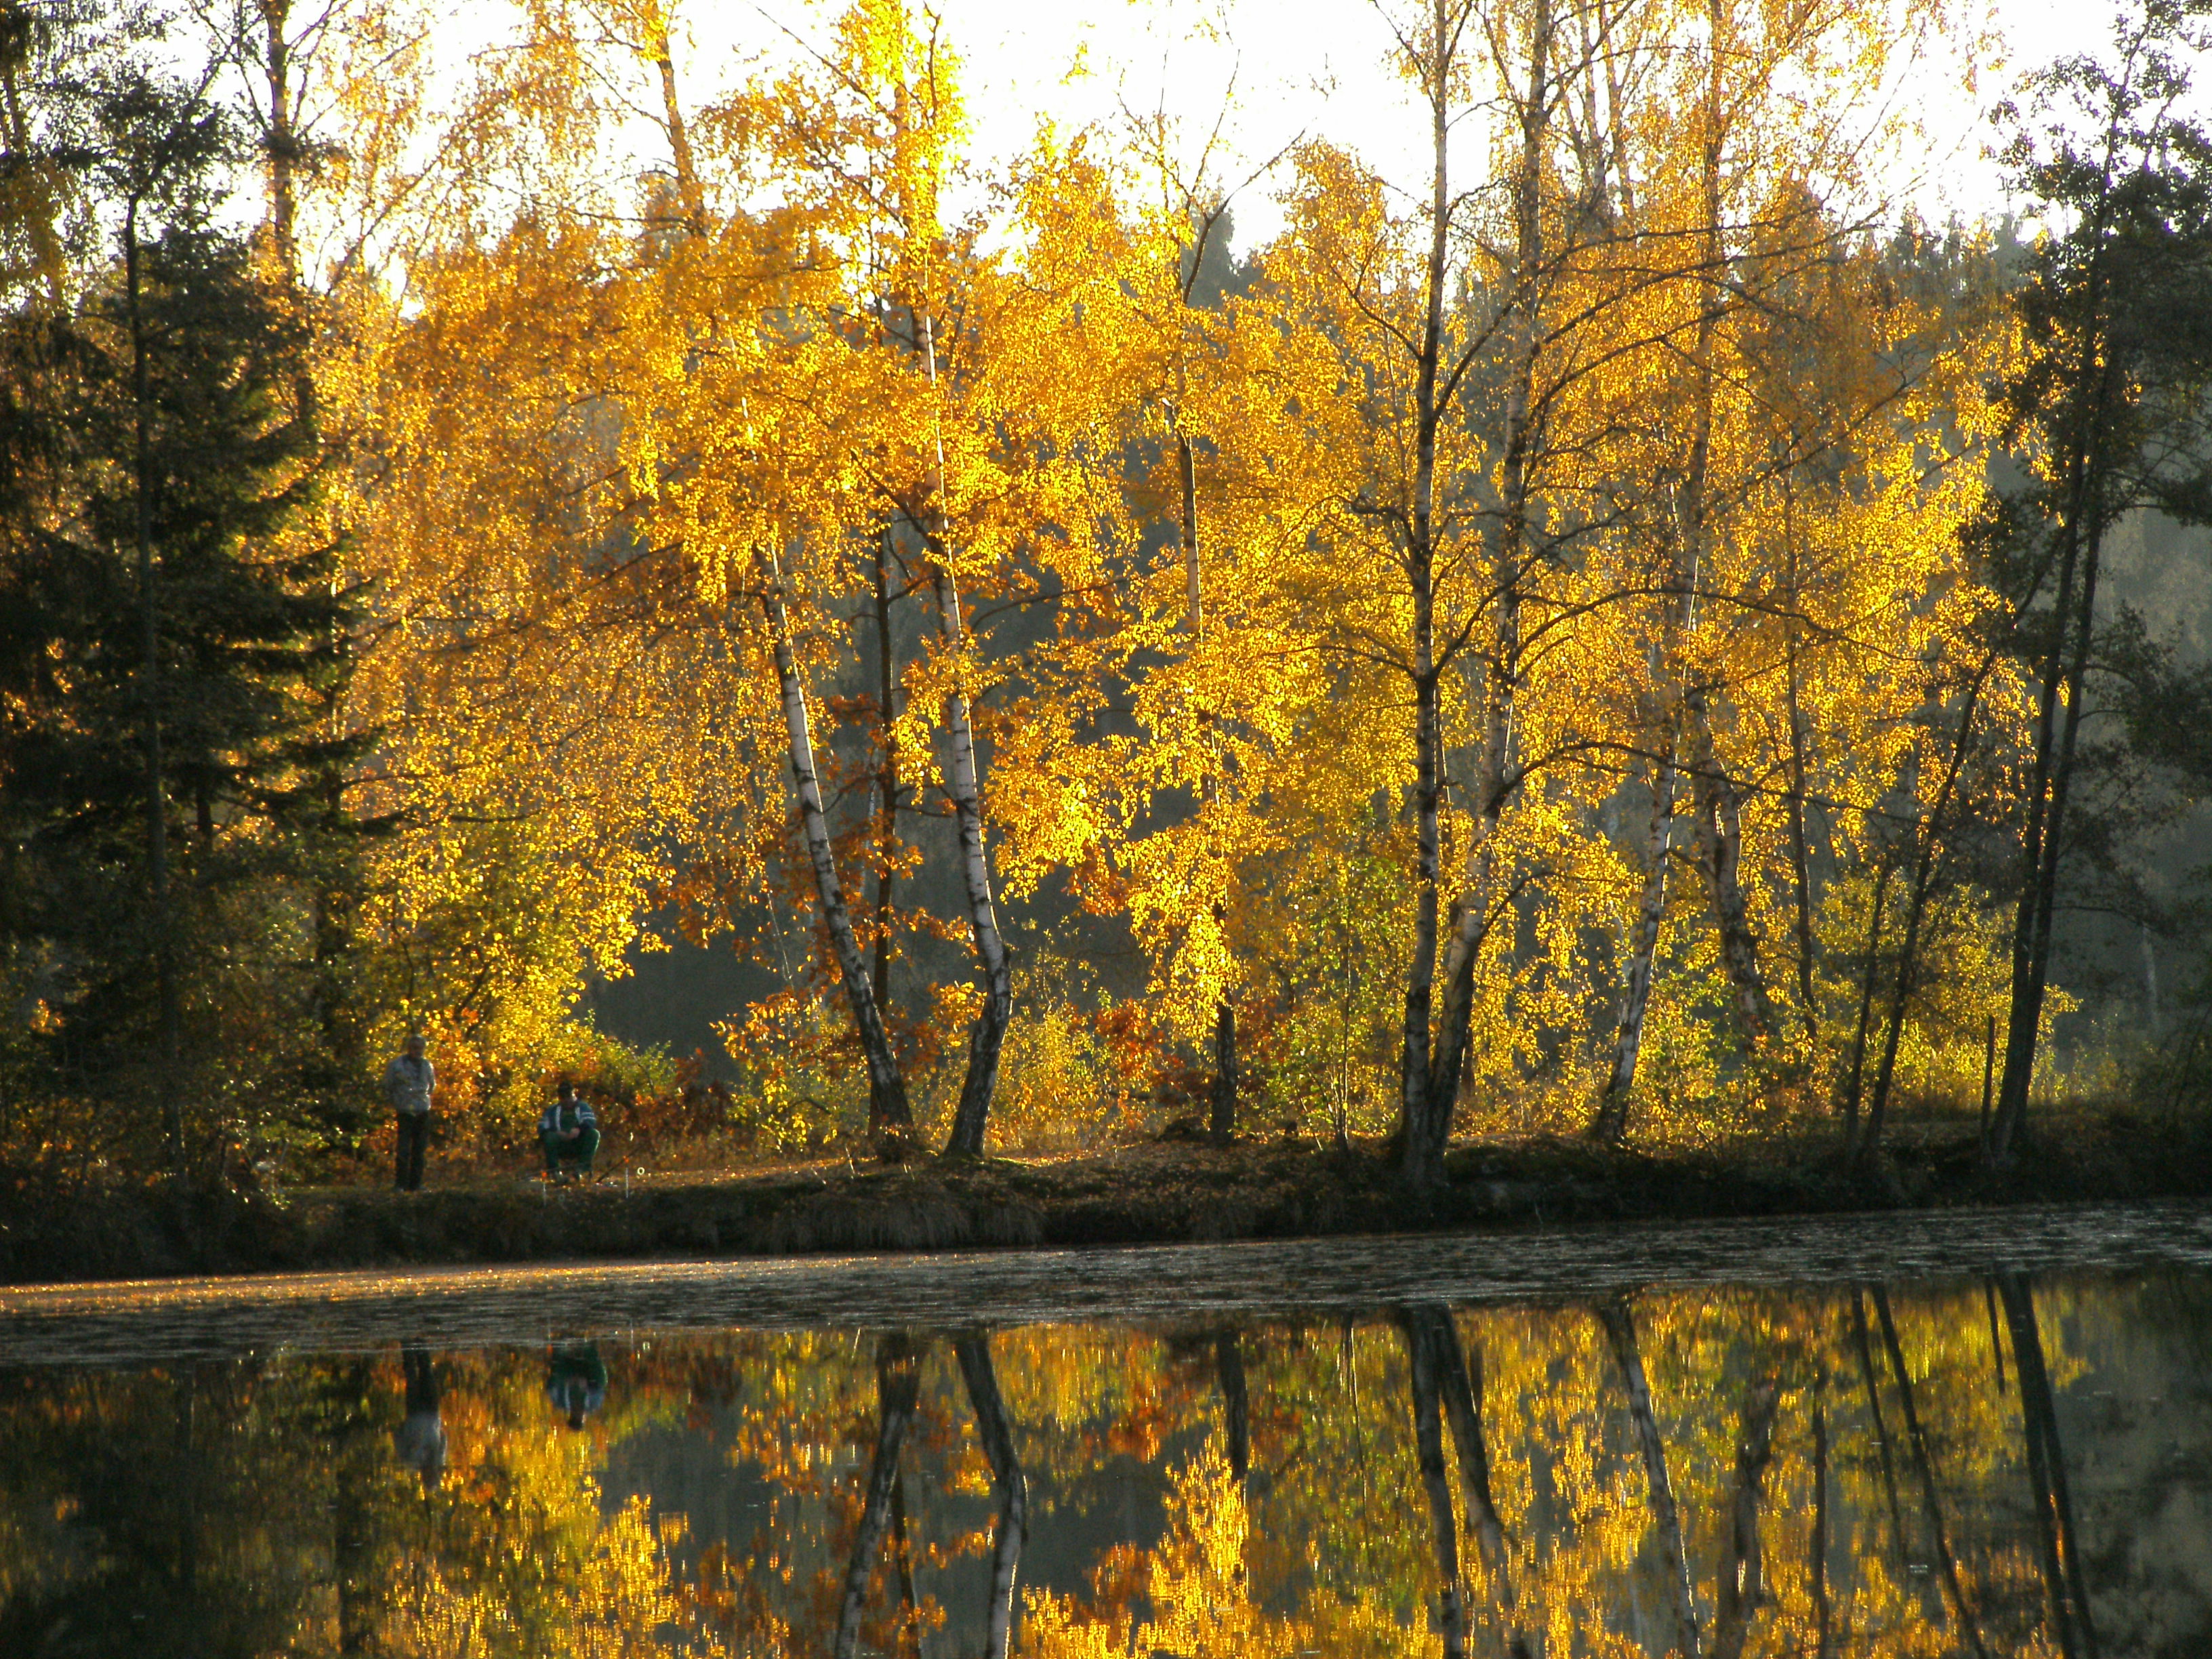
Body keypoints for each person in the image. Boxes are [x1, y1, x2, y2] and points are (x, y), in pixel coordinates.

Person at [382, 1031, 435, 1191]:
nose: (416, 1051)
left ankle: (416, 1184)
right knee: (403, 1149)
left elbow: (432, 1086)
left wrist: (423, 1099)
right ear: (408, 1048)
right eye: (413, 1047)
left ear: (424, 1049)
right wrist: (396, 1101)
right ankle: (400, 1184)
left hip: (423, 1110)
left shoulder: (427, 1065)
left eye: (420, 1048)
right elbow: (387, 1085)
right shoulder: (397, 1065)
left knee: (419, 1150)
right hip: (405, 1110)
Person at [392, 1343, 447, 1491]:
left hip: (414, 1414)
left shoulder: (411, 1461)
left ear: (423, 1478)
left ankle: (406, 1344)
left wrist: (407, 1430)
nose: (431, 1473)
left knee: (411, 1376)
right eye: (434, 1476)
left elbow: (396, 1436)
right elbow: (444, 1439)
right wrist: (437, 1429)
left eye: (428, 1477)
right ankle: (421, 1343)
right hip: (432, 1413)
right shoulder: (439, 1460)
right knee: (427, 1374)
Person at [539, 1080, 600, 1183]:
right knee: (549, 1137)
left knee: (594, 1134)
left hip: (578, 1144)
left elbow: (590, 1121)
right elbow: (542, 1127)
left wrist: (579, 1129)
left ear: (574, 1094)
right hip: (561, 1145)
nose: (567, 1100)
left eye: (569, 1096)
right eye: (563, 1097)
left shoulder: (583, 1107)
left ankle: (582, 1169)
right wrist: (557, 1133)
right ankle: (555, 1171)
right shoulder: (552, 1111)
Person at [546, 1342, 608, 1431]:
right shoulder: (594, 1404)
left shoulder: (560, 1402)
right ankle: (588, 1347)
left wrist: (566, 1382)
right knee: (602, 1380)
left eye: (575, 1417)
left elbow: (551, 1387)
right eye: (579, 1418)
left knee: (556, 1375)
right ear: (584, 1419)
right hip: (587, 1372)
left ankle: (561, 1347)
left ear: (571, 1415)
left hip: (566, 1369)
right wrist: (588, 1384)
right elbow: (600, 1389)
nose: (578, 1414)